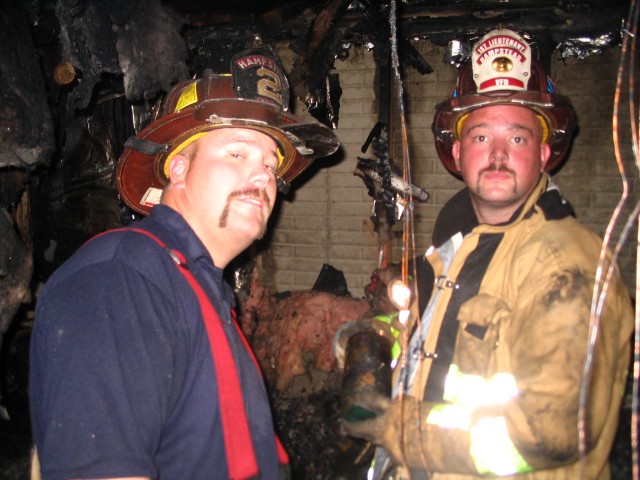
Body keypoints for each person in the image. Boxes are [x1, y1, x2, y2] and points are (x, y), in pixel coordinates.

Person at [28, 46, 339, 480]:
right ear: (178, 167)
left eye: (272, 164)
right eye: (238, 154)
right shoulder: (121, 279)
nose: (264, 176)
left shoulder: (197, 287)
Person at [341, 29, 633, 479]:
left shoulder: (566, 267)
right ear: (458, 154)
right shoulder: (462, 245)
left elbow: (548, 434)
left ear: (545, 152)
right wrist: (378, 337)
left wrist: (399, 430)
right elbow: (443, 341)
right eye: (480, 138)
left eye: (517, 139)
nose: (497, 155)